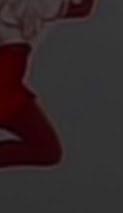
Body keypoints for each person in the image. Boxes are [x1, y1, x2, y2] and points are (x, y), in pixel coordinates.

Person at [0, 0, 95, 170]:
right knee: (45, 149)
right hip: (5, 78)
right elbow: (81, 9)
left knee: (45, 149)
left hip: (9, 76)